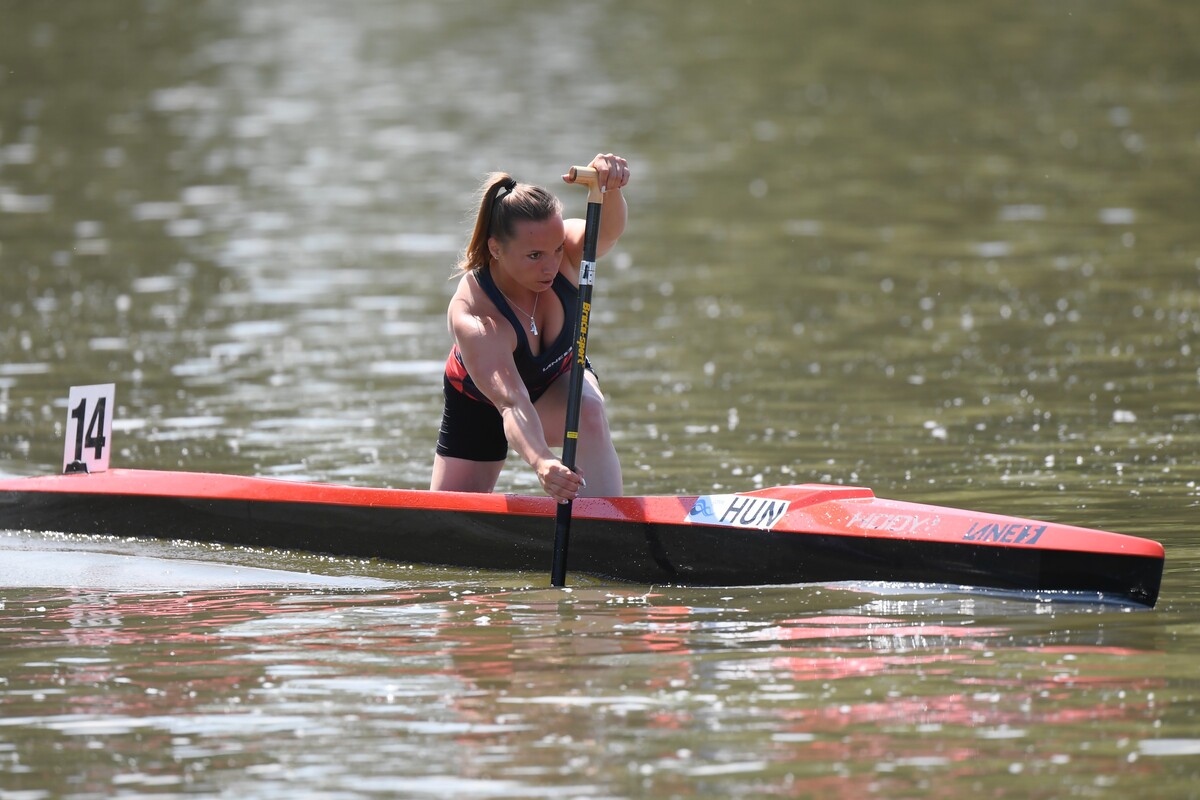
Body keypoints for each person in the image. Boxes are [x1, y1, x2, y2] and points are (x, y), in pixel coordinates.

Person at [431, 153, 630, 504]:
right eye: (534, 256)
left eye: (555, 250)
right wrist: (542, 463)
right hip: (480, 406)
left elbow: (608, 232)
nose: (551, 265)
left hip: (556, 382)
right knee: (445, 523)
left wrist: (609, 188)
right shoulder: (477, 316)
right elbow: (511, 402)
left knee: (588, 411)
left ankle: (606, 524)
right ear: (496, 248)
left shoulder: (566, 252)